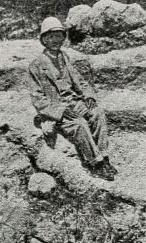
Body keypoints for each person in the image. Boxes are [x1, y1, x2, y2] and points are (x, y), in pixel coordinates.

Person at [28, 16, 117, 181]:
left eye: (58, 36)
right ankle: (96, 163)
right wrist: (60, 111)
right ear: (44, 40)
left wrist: (89, 96)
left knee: (97, 113)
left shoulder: (65, 58)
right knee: (79, 124)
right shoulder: (36, 65)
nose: (55, 40)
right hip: (59, 110)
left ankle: (104, 157)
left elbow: (80, 81)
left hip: (74, 102)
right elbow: (37, 98)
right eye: (51, 37)